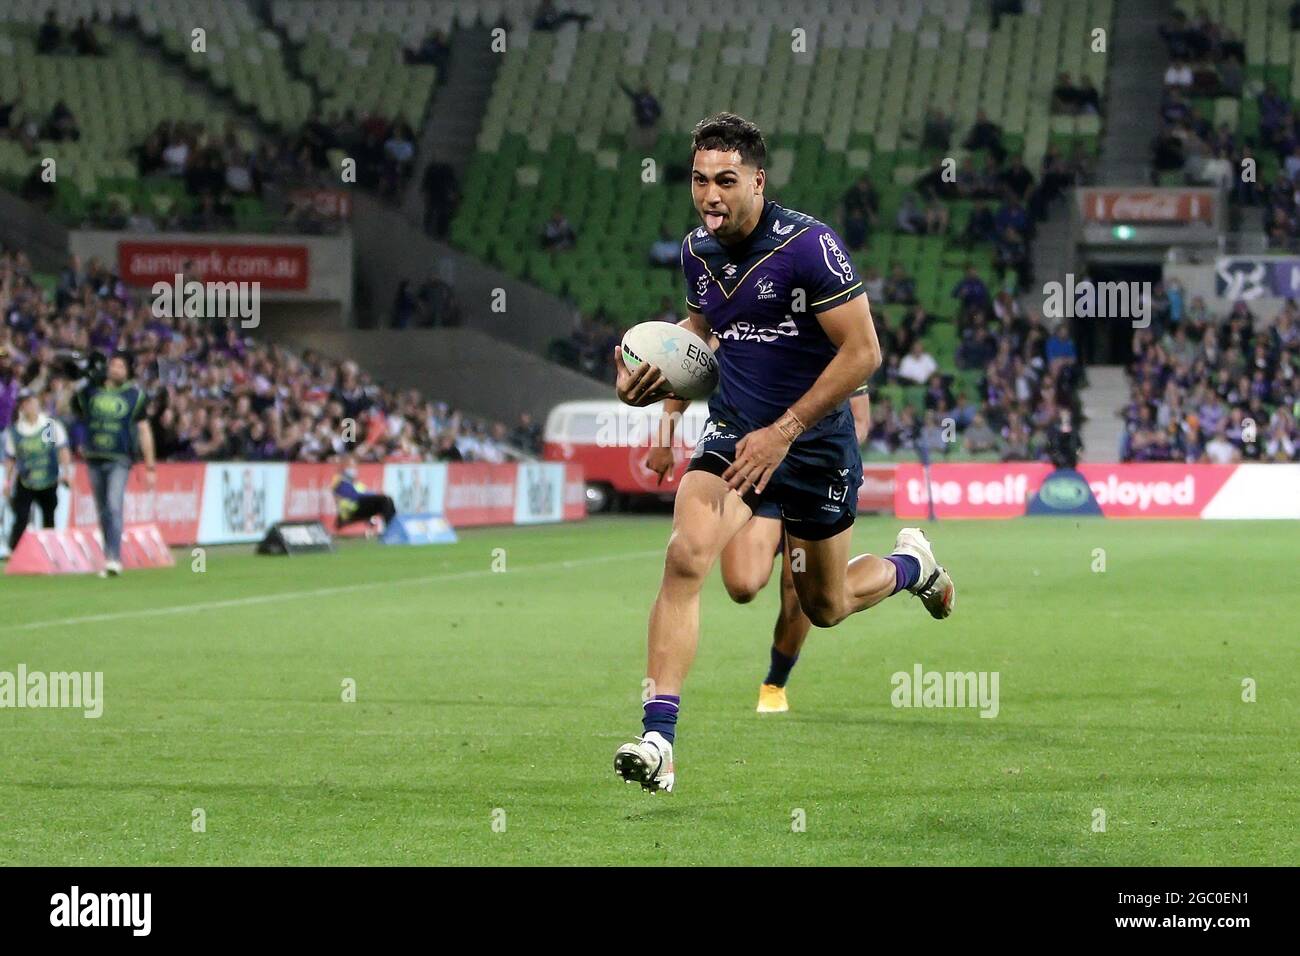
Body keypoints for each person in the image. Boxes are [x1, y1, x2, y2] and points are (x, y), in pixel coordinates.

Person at [610, 113, 955, 794]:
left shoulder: (810, 248)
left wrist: (788, 429)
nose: (710, 195)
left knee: (825, 605)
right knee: (686, 553)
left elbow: (864, 353)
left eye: (726, 181)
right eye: (699, 179)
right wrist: (651, 391)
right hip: (737, 437)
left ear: (758, 181)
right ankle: (660, 739)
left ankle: (913, 564)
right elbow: (699, 332)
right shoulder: (697, 252)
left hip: (816, 445)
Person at [71, 350, 156, 577]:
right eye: (114, 365)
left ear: (128, 372)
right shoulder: (91, 392)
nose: (116, 369)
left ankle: (114, 558)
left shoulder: (134, 396)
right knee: (102, 510)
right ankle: (109, 553)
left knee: (114, 504)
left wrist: (150, 466)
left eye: (121, 366)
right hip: (94, 456)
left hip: (120, 458)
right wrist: (82, 380)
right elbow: (66, 409)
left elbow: (145, 430)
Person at [4, 390, 71, 552]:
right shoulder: (16, 431)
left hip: (48, 478)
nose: (29, 407)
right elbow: (11, 458)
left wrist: (66, 472)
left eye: (31, 402)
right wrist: (7, 481)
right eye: (25, 403)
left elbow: (59, 449)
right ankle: (16, 551)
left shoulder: (47, 425)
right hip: (26, 479)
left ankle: (51, 551)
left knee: (49, 516)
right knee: (21, 516)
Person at [331, 456, 396, 532]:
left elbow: (367, 493)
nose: (353, 469)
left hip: (360, 508)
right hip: (351, 511)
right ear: (343, 466)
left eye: (354, 466)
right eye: (350, 466)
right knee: (384, 500)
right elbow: (355, 496)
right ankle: (391, 530)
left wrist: (374, 495)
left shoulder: (356, 483)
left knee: (387, 500)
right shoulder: (340, 481)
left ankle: (393, 527)